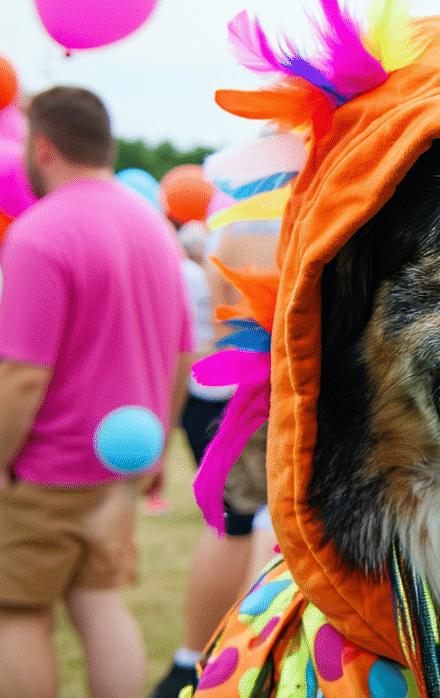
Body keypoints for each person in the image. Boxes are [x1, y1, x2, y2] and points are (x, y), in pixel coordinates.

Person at [0, 86, 195, 698]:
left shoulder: (38, 233)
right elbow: (180, 355)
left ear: (42, 147)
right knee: (102, 606)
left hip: (43, 466)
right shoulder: (155, 227)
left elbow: (22, 375)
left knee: (16, 617)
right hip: (118, 467)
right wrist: (156, 452)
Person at [147, 217, 280, 698]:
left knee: (235, 523)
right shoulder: (296, 206)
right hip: (266, 385)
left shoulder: (231, 221)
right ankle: (242, 659)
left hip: (228, 382)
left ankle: (194, 660)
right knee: (263, 521)